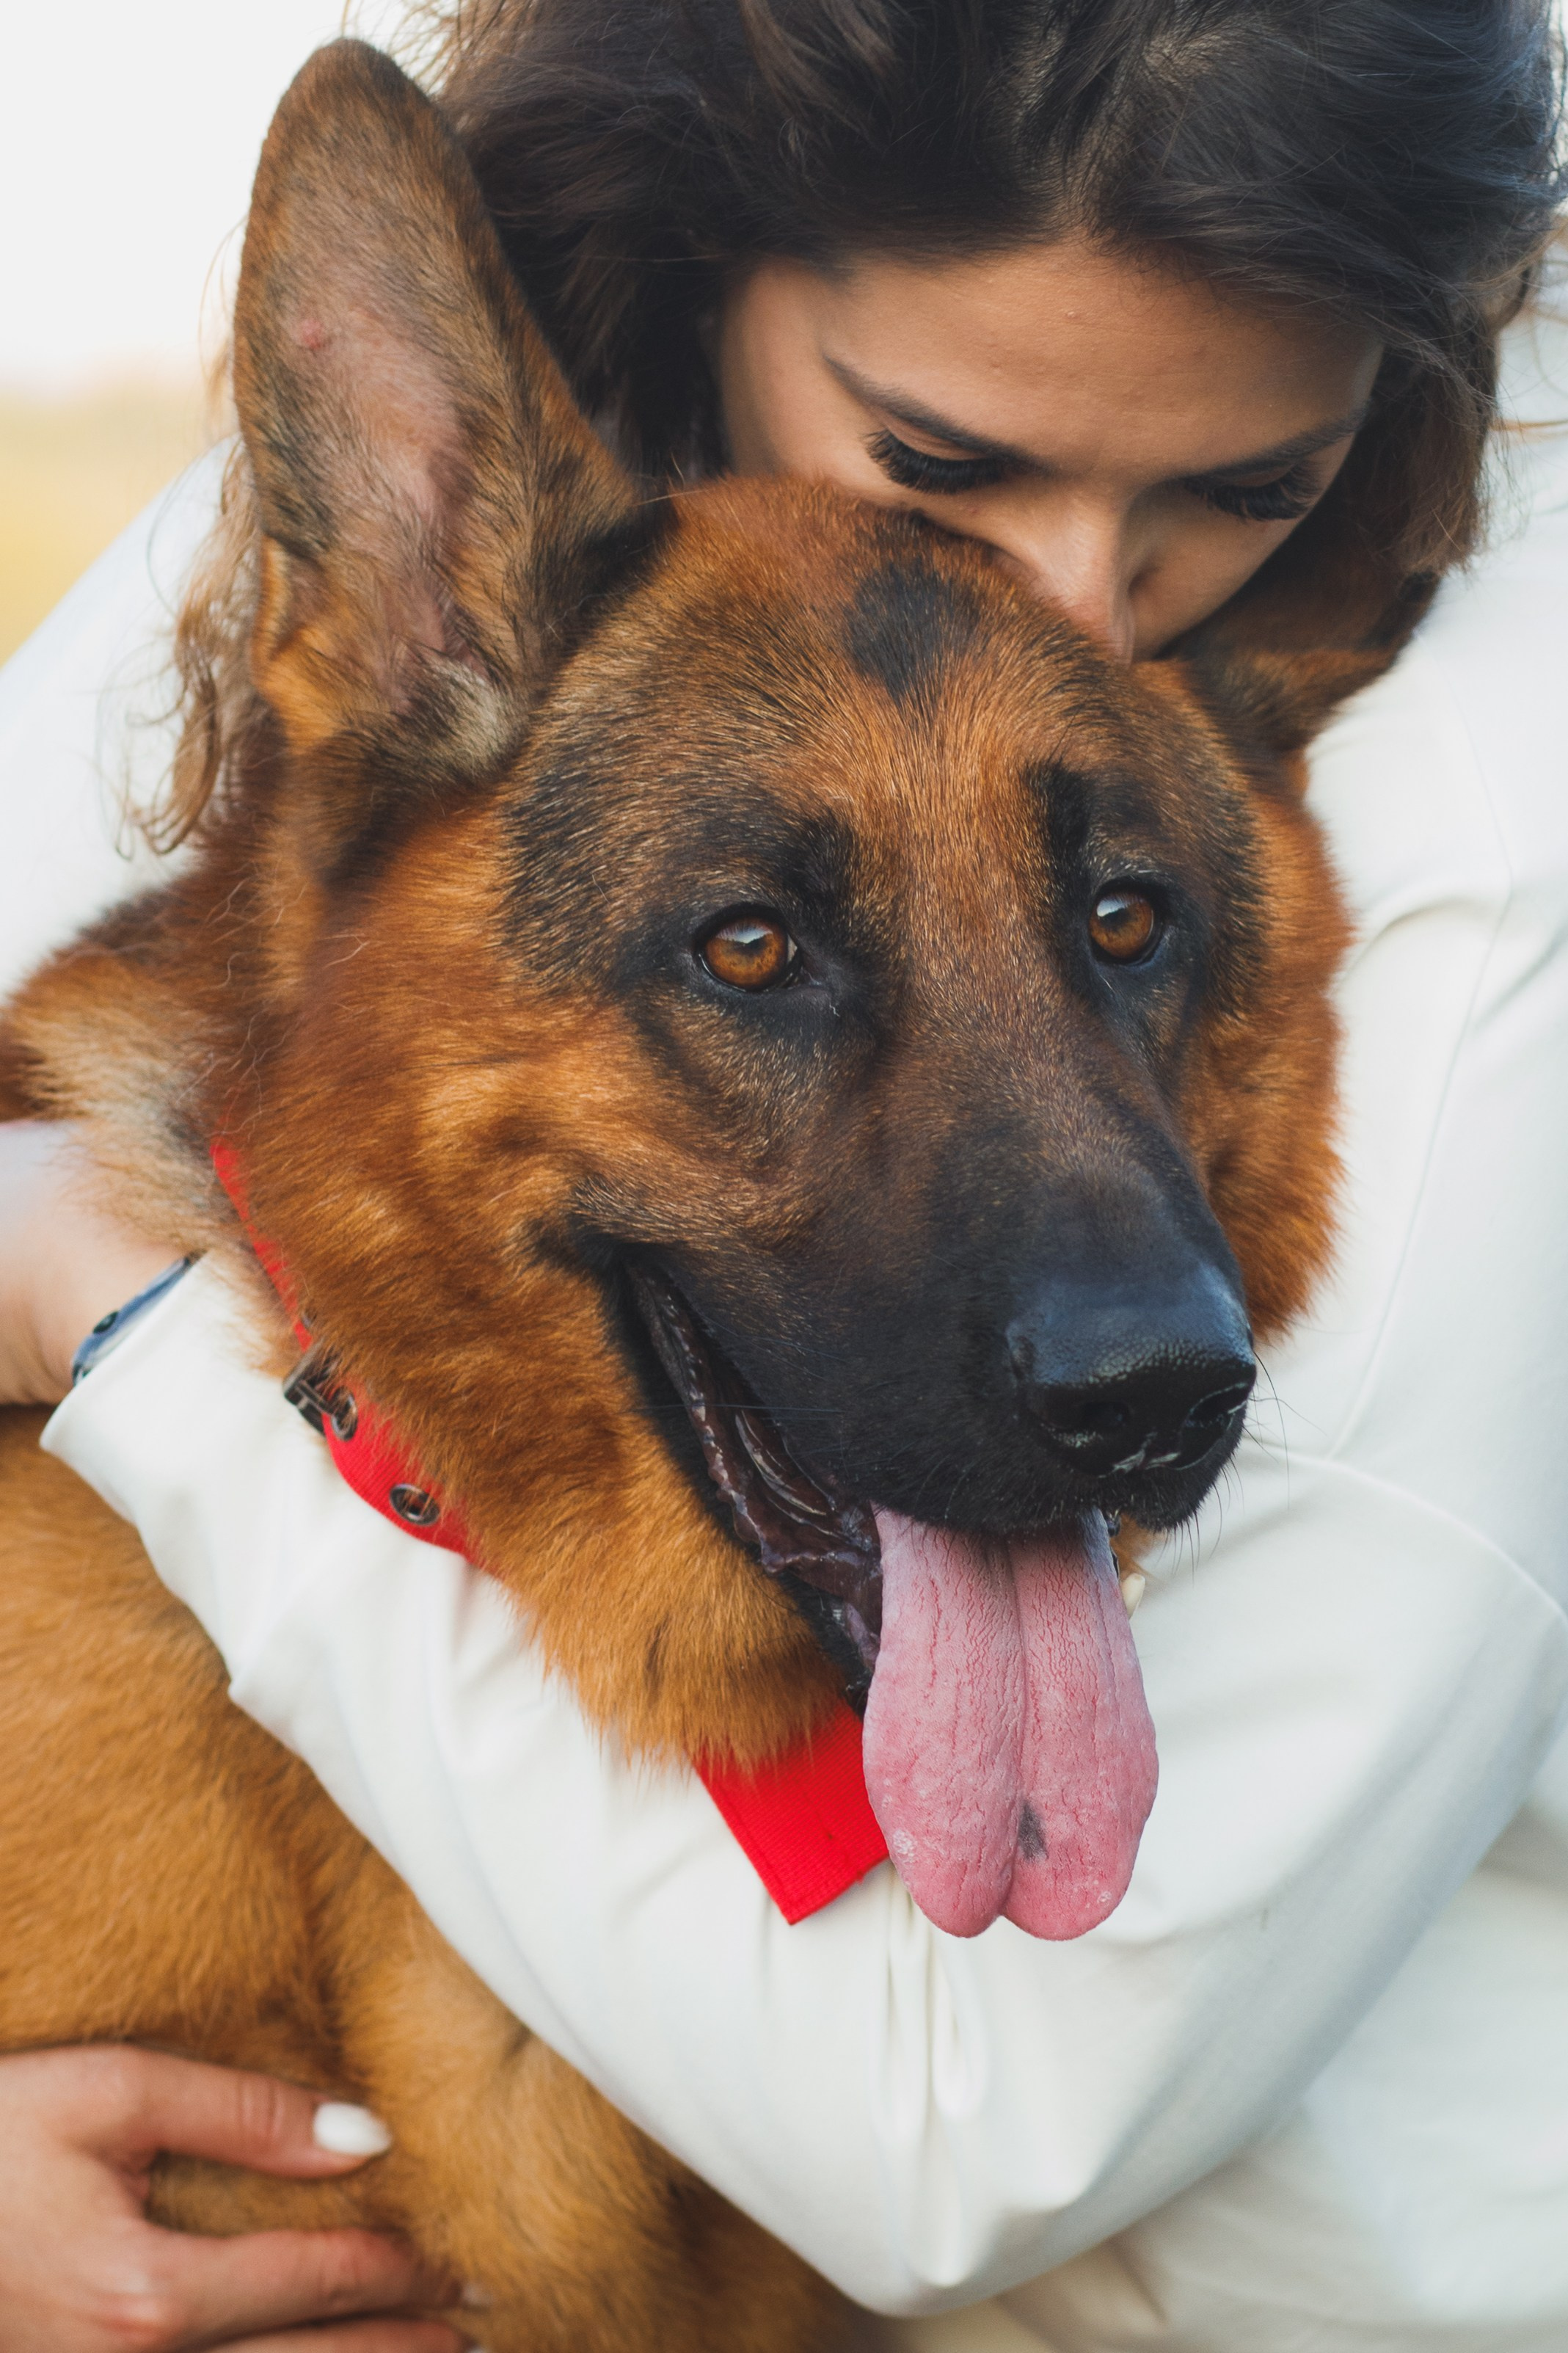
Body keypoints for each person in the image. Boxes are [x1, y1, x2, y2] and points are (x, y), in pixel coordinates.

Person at [2, 1, 1567, 2346]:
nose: (1081, 611)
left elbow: (972, 2140)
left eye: (1248, 485)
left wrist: (110, 1313)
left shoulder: (1494, 807)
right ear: (705, 267)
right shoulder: (454, 515)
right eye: (945, 458)